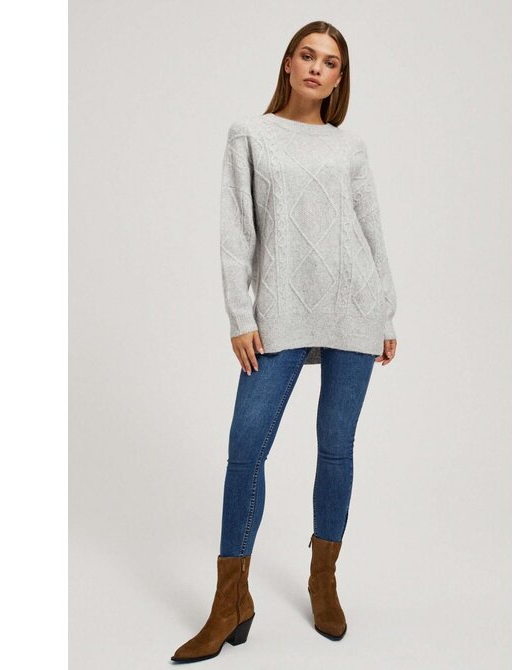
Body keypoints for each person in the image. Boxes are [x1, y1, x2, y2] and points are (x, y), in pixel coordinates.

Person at [171, 19, 398, 663]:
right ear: (289, 63)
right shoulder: (250, 134)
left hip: (354, 309)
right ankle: (230, 601)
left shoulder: (349, 147)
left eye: (331, 62)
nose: (317, 68)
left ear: (340, 78)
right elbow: (236, 233)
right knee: (246, 449)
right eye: (308, 55)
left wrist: (385, 315)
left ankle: (323, 581)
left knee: (336, 447)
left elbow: (371, 230)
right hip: (278, 313)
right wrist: (240, 315)